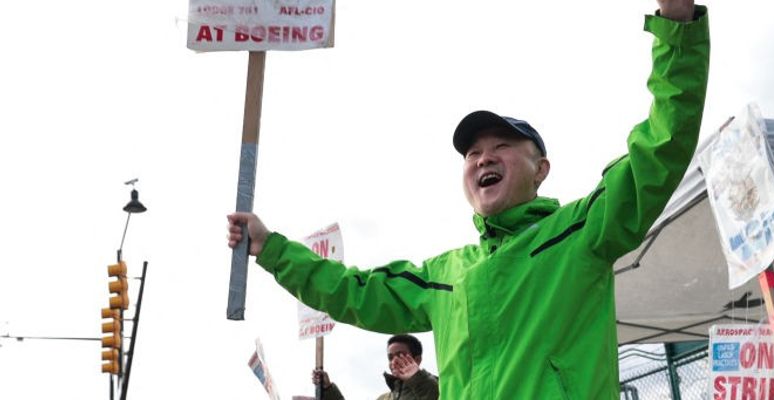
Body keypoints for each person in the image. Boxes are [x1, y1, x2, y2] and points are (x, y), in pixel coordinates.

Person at [227, 1, 709, 397]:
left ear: (541, 170)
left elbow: (659, 151)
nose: (483, 159)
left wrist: (676, 29)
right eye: (473, 152)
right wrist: (272, 249)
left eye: (501, 147)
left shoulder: (581, 232)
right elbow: (354, 292)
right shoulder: (445, 274)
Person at [312, 334, 438, 400]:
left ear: (417, 359)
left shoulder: (438, 386)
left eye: (400, 355)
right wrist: (328, 389)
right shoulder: (384, 398)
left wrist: (416, 377)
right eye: (390, 357)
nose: (394, 361)